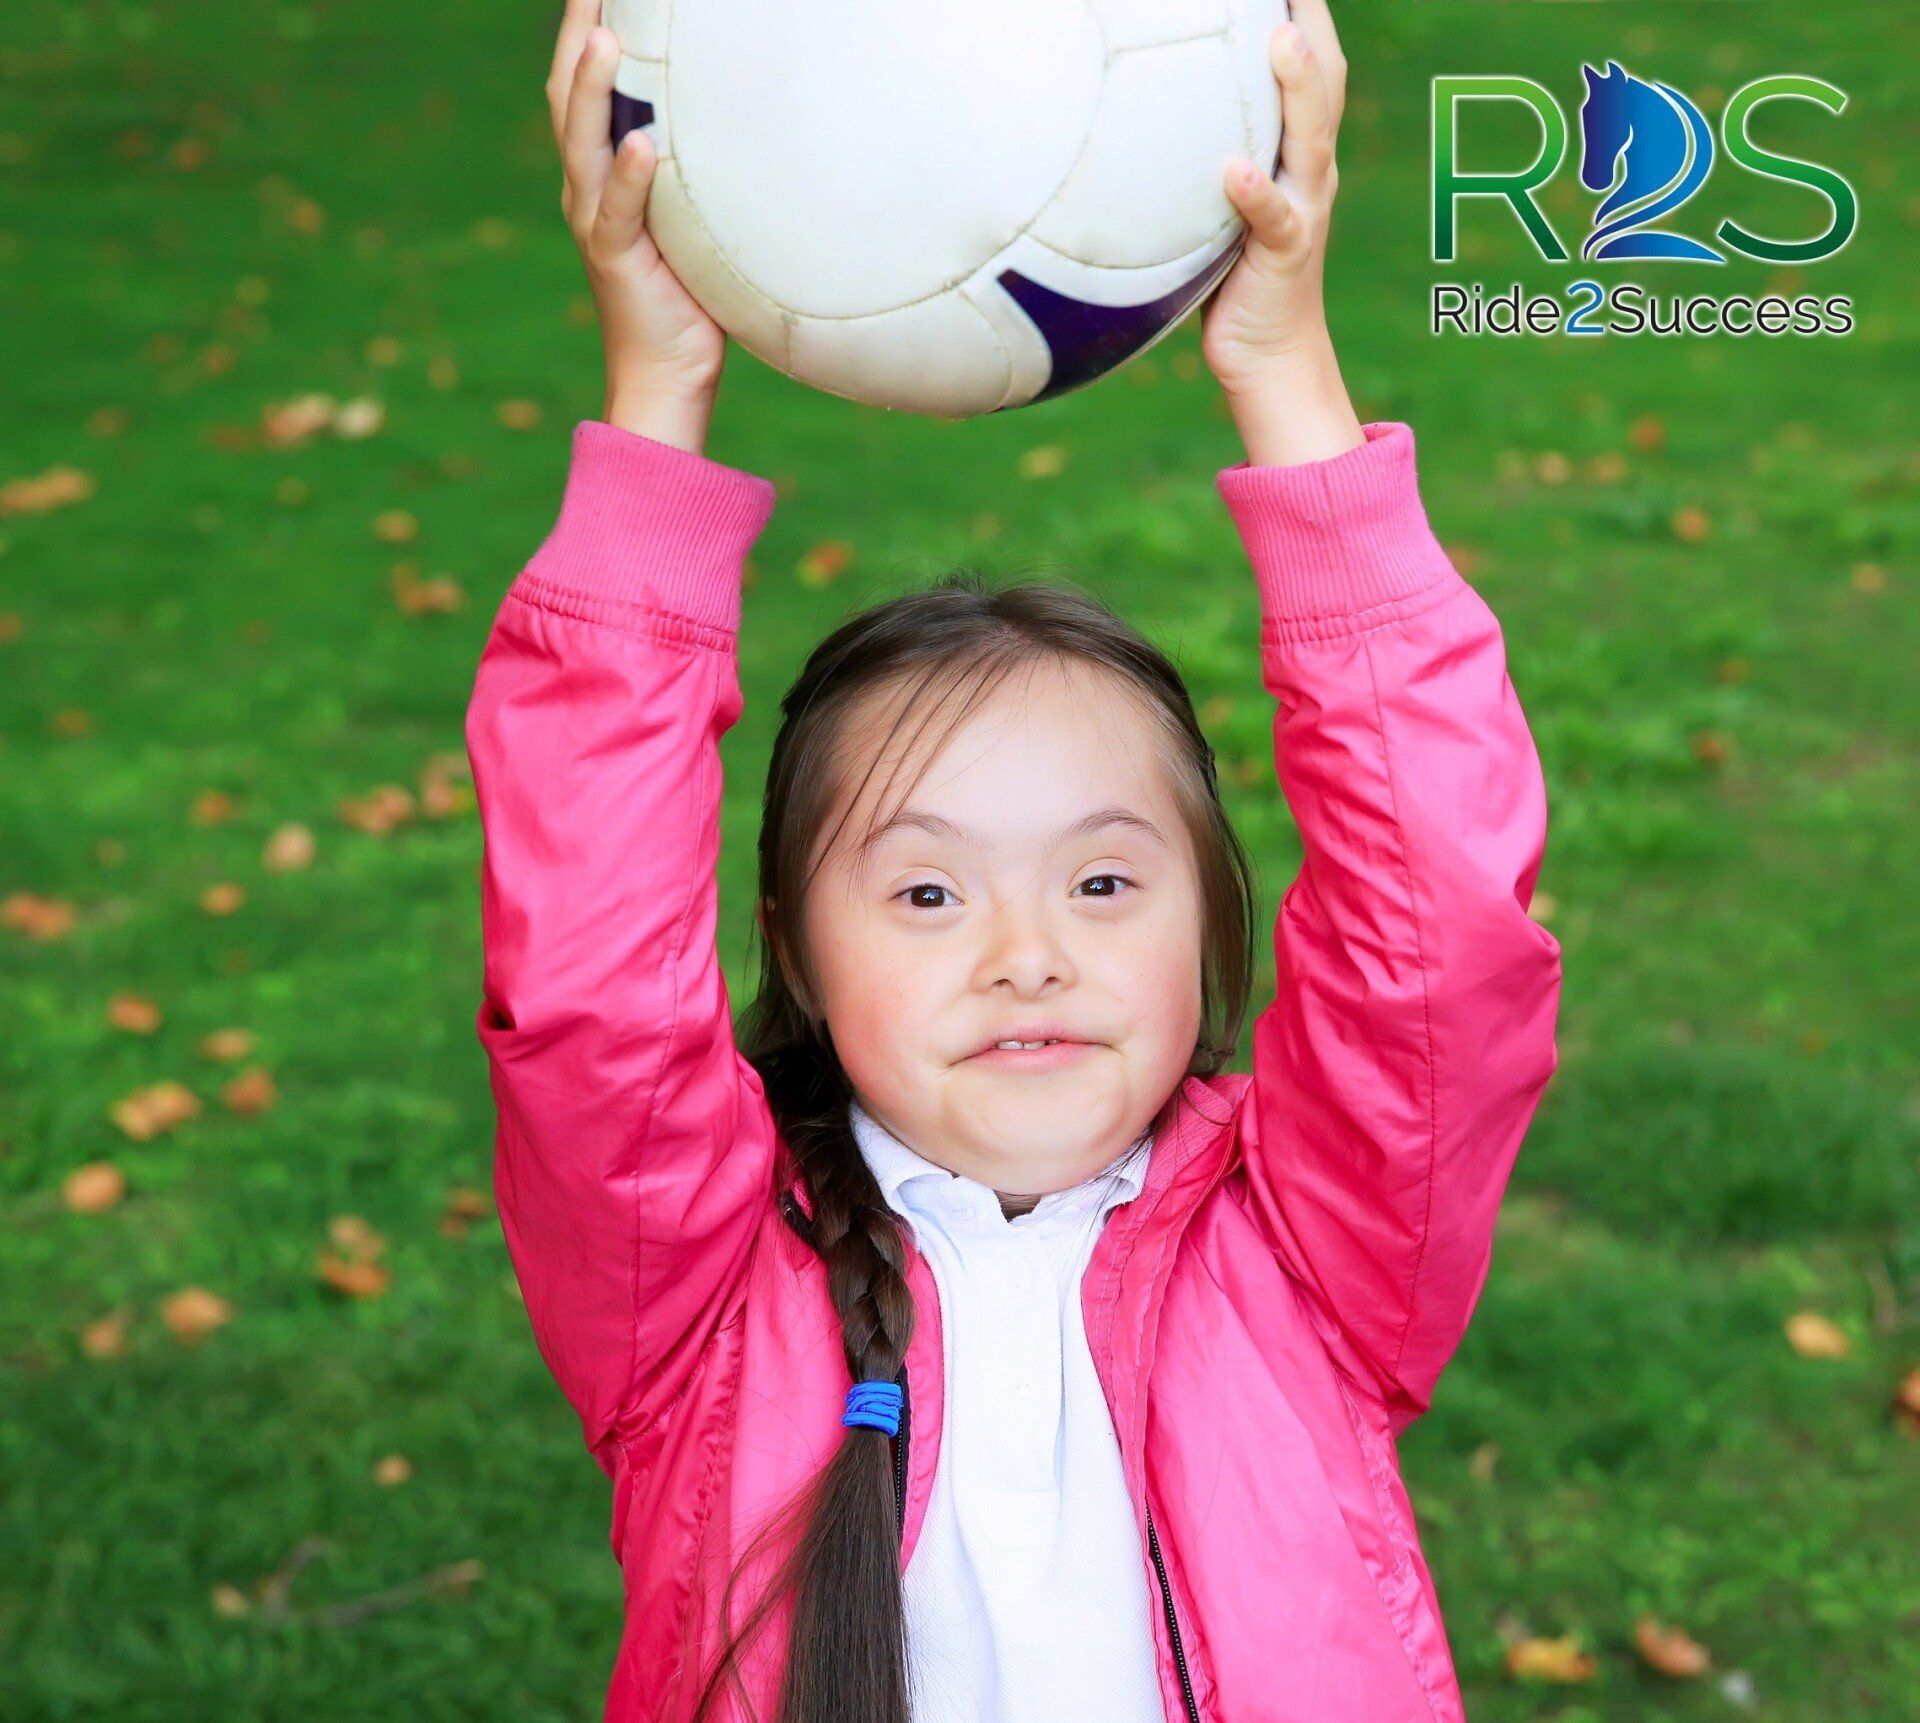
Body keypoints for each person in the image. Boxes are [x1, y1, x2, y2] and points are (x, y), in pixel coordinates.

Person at [465, 0, 1562, 1718]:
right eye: (924, 891)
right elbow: (592, 983)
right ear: (793, 955)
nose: (1024, 953)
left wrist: (1289, 372)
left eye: (1105, 882)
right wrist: (655, 398)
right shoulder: (690, 1297)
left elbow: (1448, 932)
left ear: (1213, 928)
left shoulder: (1317, 1259)